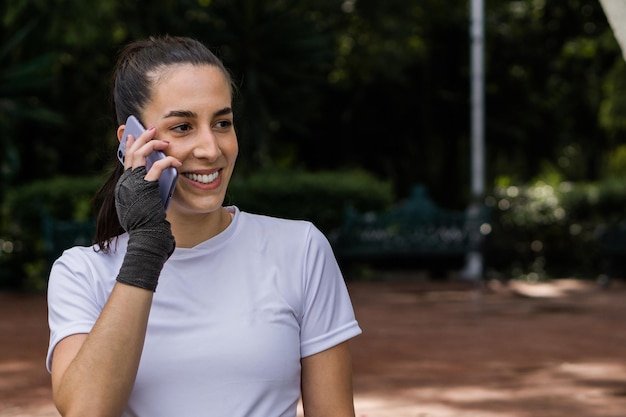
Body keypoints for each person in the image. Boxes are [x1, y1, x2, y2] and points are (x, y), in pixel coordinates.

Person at [46, 35, 362, 417]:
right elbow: (85, 411)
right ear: (130, 140)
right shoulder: (82, 273)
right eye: (182, 127)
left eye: (222, 122)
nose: (211, 149)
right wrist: (147, 246)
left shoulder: (301, 249)